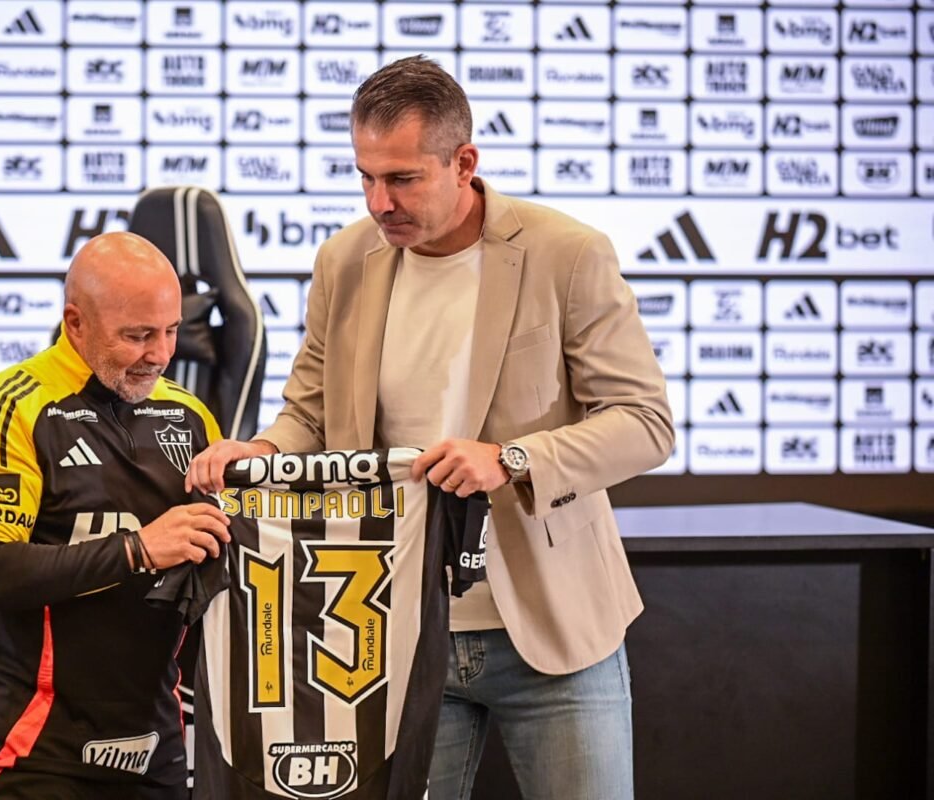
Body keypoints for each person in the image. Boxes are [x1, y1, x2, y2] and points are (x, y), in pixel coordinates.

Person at [187, 55, 674, 799]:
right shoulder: (344, 260)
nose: (381, 203)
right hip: (390, 630)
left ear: (464, 162)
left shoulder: (568, 254)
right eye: (366, 177)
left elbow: (645, 424)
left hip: (554, 629)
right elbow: (310, 411)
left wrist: (511, 459)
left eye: (404, 178)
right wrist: (257, 451)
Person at [0, 232, 231, 800]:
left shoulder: (190, 417)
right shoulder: (11, 409)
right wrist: (137, 550)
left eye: (171, 331)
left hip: (158, 744)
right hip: (36, 746)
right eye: (137, 335)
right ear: (75, 323)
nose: (160, 353)